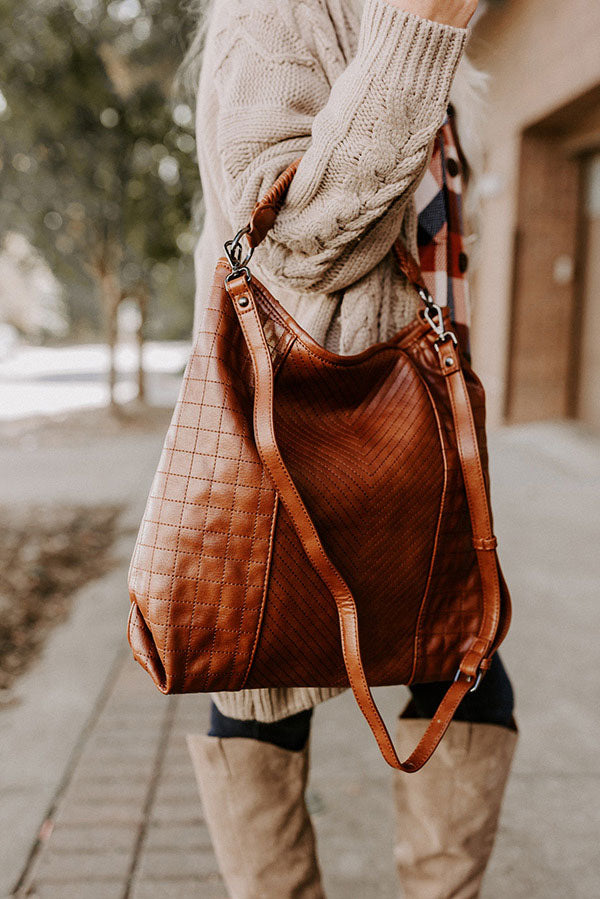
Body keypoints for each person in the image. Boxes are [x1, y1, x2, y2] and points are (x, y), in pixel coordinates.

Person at [184, 1, 518, 896]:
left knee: (473, 679)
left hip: (422, 455)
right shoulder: (273, 15)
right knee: (261, 696)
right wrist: (422, 30)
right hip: (297, 447)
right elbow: (288, 238)